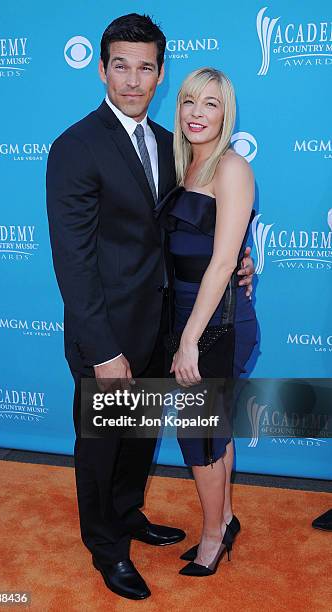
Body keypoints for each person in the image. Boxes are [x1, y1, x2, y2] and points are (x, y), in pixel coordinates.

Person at [46, 14, 254, 600]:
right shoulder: (75, 146)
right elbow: (74, 262)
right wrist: (103, 349)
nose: (133, 80)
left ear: (160, 74)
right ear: (102, 68)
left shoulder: (171, 143)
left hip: (163, 327)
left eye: (145, 67)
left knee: (138, 442)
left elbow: (197, 226)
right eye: (121, 66)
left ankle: (129, 515)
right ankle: (106, 549)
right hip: (107, 334)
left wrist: (240, 258)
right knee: (103, 445)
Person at [156, 67, 258, 577]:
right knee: (211, 429)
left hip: (218, 323)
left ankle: (214, 535)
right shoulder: (182, 165)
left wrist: (190, 341)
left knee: (198, 435)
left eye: (211, 104)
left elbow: (222, 263)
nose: (198, 114)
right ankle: (227, 517)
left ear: (226, 113)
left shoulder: (231, 168)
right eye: (190, 102)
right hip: (186, 318)